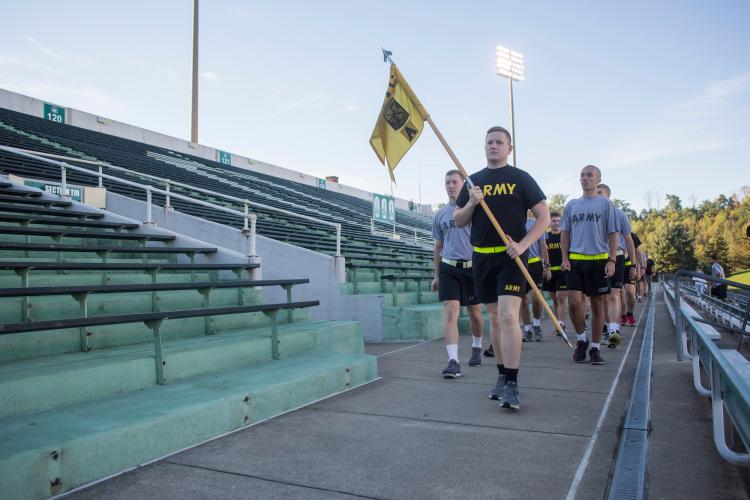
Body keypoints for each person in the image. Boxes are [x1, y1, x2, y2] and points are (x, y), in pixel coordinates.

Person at [454, 126, 549, 410]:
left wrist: (523, 246)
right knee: (495, 319)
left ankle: (512, 382)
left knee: (509, 317)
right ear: (484, 147)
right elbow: (458, 221)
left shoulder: (520, 178)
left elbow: (543, 217)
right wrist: (471, 201)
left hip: (511, 258)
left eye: (499, 142)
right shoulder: (473, 181)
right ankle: (500, 376)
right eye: (489, 142)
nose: (493, 146)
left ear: (509, 148)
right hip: (482, 257)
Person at [561, 166, 619, 365]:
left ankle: (595, 348)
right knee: (574, 303)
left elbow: (613, 233)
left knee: (597, 304)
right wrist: (564, 258)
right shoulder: (571, 205)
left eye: (589, 175)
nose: (584, 178)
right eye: (582, 175)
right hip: (576, 260)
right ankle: (581, 339)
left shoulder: (605, 204)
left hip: (598, 260)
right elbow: (565, 233)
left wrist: (612, 260)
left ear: (598, 179)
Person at [432, 170, 485, 378]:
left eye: (454, 182)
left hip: (473, 267)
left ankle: (477, 346)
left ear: (463, 184)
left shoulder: (475, 209)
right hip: (449, 267)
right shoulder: (440, 214)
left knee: (475, 313)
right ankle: (453, 361)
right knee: (451, 312)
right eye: (447, 182)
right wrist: (436, 275)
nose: (451, 186)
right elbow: (438, 246)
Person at [596, 183, 639, 348]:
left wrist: (634, 265)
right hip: (596, 258)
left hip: (618, 257)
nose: (598, 195)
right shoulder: (591, 214)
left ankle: (614, 329)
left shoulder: (619, 214)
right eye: (596, 192)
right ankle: (606, 326)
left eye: (601, 193)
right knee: (600, 297)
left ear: (608, 196)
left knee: (614, 294)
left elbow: (629, 240)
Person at [520, 216, 551, 342]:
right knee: (523, 299)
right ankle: (527, 329)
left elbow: (543, 245)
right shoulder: (512, 221)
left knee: (537, 297)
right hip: (519, 264)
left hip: (535, 265)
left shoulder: (536, 223)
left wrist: (547, 266)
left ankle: (536, 325)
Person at [543, 212, 569, 334]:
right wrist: (545, 267)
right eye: (554, 220)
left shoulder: (565, 236)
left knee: (561, 297)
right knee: (554, 300)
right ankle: (558, 321)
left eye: (559, 220)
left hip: (563, 271)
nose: (556, 223)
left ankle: (561, 323)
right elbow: (542, 253)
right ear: (549, 223)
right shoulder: (546, 237)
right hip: (550, 272)